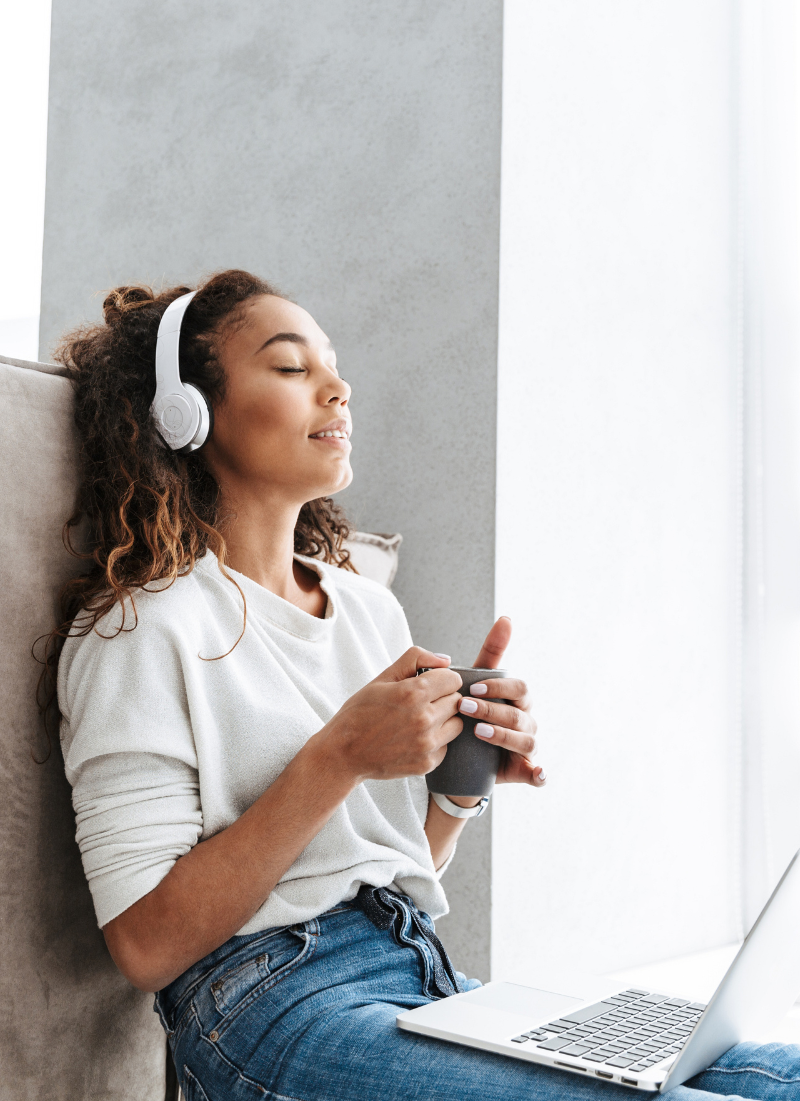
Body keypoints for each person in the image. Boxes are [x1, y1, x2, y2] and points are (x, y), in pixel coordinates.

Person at [48, 270, 798, 1100]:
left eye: (332, 365)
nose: (338, 388)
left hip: (420, 976)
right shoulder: (142, 629)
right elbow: (146, 946)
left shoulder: (367, 611)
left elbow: (382, 865)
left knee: (773, 1078)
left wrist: (459, 785)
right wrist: (339, 755)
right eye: (293, 368)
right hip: (267, 1006)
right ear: (188, 412)